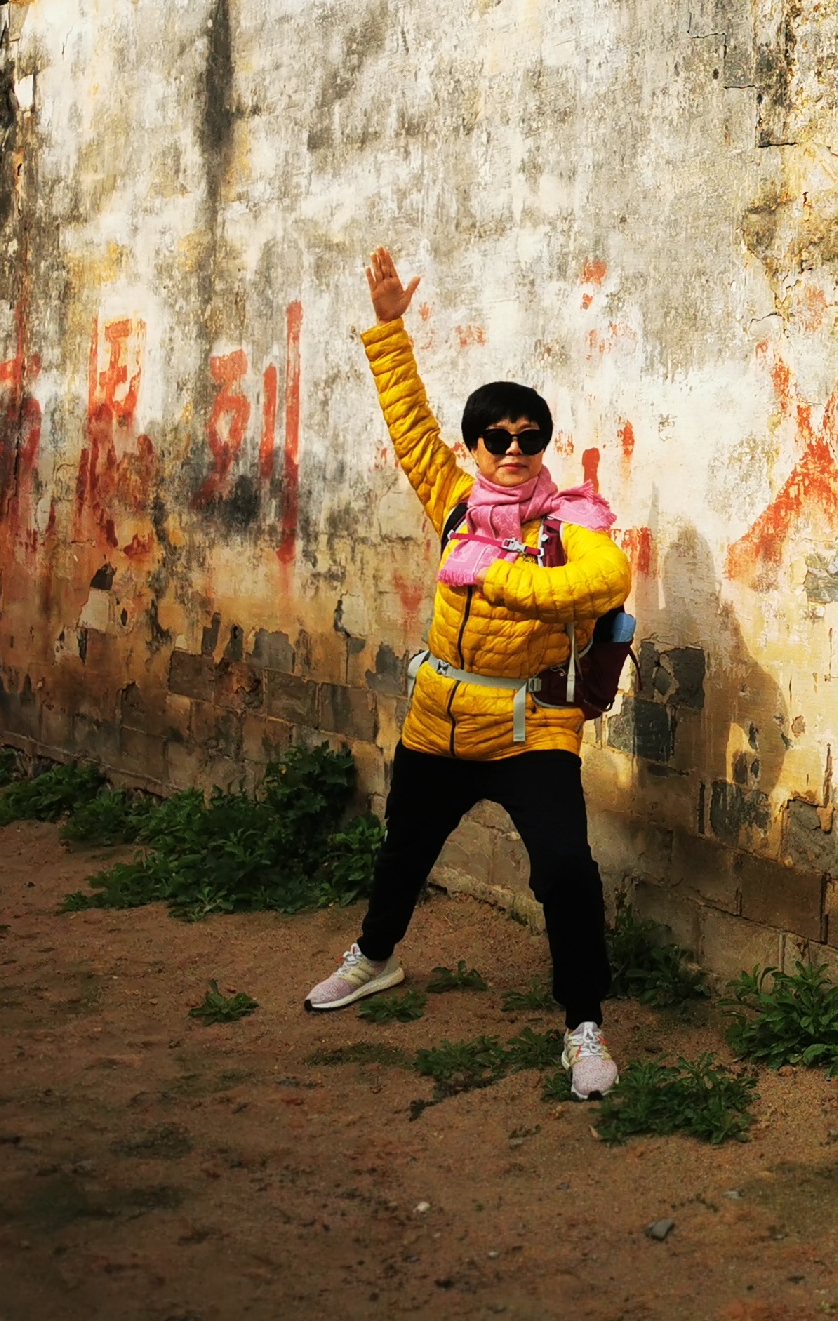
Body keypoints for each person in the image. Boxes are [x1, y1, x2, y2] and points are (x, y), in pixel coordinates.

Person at [304, 247, 633, 1100]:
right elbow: (407, 420)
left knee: (565, 870)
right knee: (405, 850)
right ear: (476, 443)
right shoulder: (454, 497)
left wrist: (490, 576)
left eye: (529, 439)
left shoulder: (574, 516)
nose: (514, 451)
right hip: (440, 720)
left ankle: (584, 1025)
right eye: (498, 437)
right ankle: (375, 958)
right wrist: (387, 328)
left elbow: (602, 584)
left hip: (533, 729)